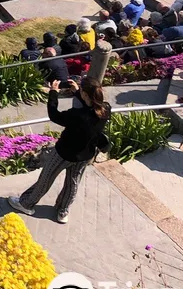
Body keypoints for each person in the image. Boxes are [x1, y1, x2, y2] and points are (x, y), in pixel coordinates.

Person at [9, 76, 112, 223]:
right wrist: (77, 92)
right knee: (73, 183)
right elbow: (90, 108)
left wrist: (53, 93)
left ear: (85, 94)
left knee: (46, 178)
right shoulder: (105, 109)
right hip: (85, 155)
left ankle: (26, 204)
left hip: (64, 153)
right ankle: (63, 211)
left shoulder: (76, 116)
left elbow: (54, 115)